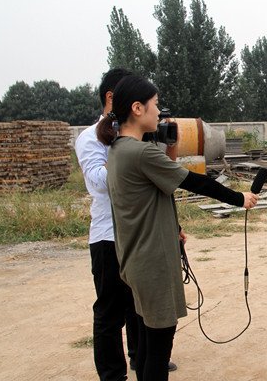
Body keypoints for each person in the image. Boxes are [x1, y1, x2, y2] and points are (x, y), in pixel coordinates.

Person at [96, 74, 258, 381]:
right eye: (155, 105)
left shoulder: (118, 150)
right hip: (152, 264)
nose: (160, 112)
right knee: (158, 350)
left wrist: (173, 226)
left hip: (136, 260)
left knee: (147, 345)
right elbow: (194, 181)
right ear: (137, 109)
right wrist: (240, 198)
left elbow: (148, 201)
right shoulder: (141, 153)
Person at [76, 68, 176, 381]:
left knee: (140, 307)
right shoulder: (90, 138)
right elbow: (98, 181)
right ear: (112, 97)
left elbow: (160, 183)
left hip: (141, 234)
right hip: (108, 236)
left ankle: (140, 360)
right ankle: (112, 374)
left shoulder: (140, 138)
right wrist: (125, 153)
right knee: (110, 311)